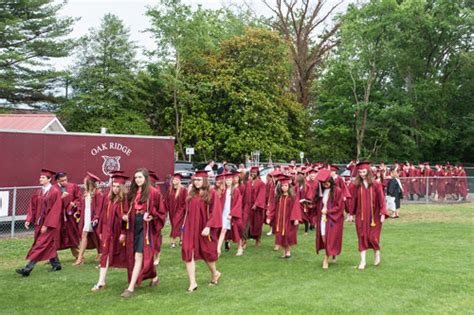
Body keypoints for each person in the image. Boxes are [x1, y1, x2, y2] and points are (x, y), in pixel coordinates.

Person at [121, 168, 160, 298]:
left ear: (146, 178)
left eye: (140, 177)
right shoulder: (132, 193)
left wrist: (153, 217)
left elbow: (161, 212)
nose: (138, 179)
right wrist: (125, 216)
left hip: (146, 226)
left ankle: (130, 288)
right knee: (137, 254)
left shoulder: (153, 193)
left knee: (139, 255)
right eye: (136, 177)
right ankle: (154, 277)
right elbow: (127, 209)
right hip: (133, 225)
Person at [181, 170, 222, 293]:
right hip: (190, 227)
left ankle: (215, 273)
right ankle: (192, 282)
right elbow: (186, 210)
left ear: (204, 180)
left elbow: (215, 211)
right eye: (195, 180)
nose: (196, 182)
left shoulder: (212, 193)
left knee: (206, 253)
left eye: (199, 180)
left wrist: (209, 226)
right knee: (188, 251)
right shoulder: (191, 193)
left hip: (204, 227)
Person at [16, 169, 62, 276]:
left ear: (49, 179)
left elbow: (56, 210)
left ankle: (27, 269)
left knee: (40, 245)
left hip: (50, 224)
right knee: (48, 244)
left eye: (43, 178)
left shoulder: (55, 192)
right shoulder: (39, 192)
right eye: (40, 177)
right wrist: (28, 219)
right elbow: (32, 207)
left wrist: (46, 224)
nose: (40, 179)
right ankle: (56, 264)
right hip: (39, 223)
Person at [348, 161, 389, 270]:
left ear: (368, 171)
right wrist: (351, 213)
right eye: (360, 172)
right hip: (360, 216)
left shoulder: (376, 184)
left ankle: (377, 253)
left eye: (364, 171)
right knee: (362, 237)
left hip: (374, 216)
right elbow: (353, 201)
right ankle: (363, 261)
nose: (362, 174)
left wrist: (383, 213)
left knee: (373, 237)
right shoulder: (356, 185)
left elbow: (381, 199)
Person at [91, 174, 128, 292]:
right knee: (105, 254)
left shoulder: (124, 199)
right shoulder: (108, 197)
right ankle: (101, 281)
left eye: (118, 186)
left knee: (127, 255)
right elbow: (102, 215)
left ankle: (144, 274)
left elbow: (125, 217)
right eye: (114, 186)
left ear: (122, 187)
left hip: (119, 231)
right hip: (108, 231)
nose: (116, 188)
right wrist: (101, 230)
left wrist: (123, 232)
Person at [314, 169, 345, 269]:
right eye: (323, 183)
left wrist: (329, 211)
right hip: (323, 218)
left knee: (330, 237)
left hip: (333, 219)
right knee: (323, 237)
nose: (325, 184)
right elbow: (318, 204)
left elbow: (339, 206)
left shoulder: (337, 191)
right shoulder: (321, 191)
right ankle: (332, 251)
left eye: (327, 182)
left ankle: (326, 258)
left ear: (331, 180)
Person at [266, 176, 301, 258]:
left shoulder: (292, 197)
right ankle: (283, 252)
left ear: (289, 187)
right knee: (280, 236)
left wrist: (296, 218)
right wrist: (269, 217)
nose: (284, 187)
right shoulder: (278, 197)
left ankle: (288, 250)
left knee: (287, 235)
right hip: (279, 220)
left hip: (288, 219)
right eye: (282, 186)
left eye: (285, 186)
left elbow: (295, 207)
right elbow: (273, 208)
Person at [73, 172, 103, 266]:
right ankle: (100, 253)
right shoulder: (86, 193)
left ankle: (80, 258)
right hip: (86, 217)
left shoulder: (98, 193)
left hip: (92, 218)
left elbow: (99, 206)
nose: (83, 184)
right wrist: (78, 211)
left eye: (85, 182)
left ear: (89, 183)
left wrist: (96, 217)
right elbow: (83, 206)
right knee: (90, 235)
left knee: (86, 235)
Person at [55, 172, 81, 259]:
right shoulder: (53, 189)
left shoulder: (73, 186)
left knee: (72, 235)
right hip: (59, 216)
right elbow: (50, 202)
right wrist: (60, 198)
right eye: (62, 181)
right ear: (57, 180)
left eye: (65, 180)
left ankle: (78, 256)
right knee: (56, 236)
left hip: (70, 216)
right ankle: (53, 258)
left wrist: (74, 203)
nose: (64, 182)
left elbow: (79, 198)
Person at [217, 173, 243, 256]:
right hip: (224, 213)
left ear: (232, 181)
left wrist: (232, 214)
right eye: (227, 180)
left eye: (230, 180)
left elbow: (238, 203)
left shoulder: (235, 190)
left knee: (236, 232)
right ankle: (218, 250)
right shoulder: (223, 190)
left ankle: (240, 248)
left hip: (232, 214)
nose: (228, 181)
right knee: (223, 230)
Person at [243, 166, 267, 247]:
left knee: (257, 224)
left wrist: (256, 204)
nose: (253, 174)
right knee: (245, 223)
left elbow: (262, 195)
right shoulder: (248, 183)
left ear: (257, 173)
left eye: (254, 172)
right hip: (248, 206)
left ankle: (257, 239)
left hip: (257, 209)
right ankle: (244, 240)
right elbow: (245, 194)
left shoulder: (261, 184)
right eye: (252, 172)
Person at [165, 173, 187, 249]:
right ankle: (181, 239)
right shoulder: (170, 189)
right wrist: (166, 209)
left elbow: (185, 201)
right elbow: (166, 200)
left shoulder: (183, 190)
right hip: (172, 211)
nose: (174, 180)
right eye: (174, 179)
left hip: (180, 211)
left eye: (176, 179)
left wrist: (183, 209)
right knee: (175, 225)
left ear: (179, 181)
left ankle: (173, 242)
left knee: (175, 225)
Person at [149, 171, 167, 266]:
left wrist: (154, 215)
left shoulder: (157, 192)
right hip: (146, 220)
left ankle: (157, 257)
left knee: (156, 240)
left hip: (155, 220)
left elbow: (161, 210)